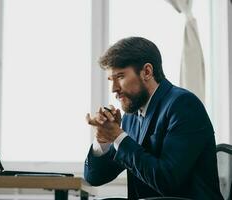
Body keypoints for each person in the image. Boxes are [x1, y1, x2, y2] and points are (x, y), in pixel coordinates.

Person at [84, 37, 223, 200]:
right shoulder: (131, 117)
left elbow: (167, 181)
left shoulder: (183, 105)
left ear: (147, 72)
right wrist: (103, 140)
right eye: (110, 80)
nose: (114, 89)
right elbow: (95, 177)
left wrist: (118, 136)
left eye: (120, 77)